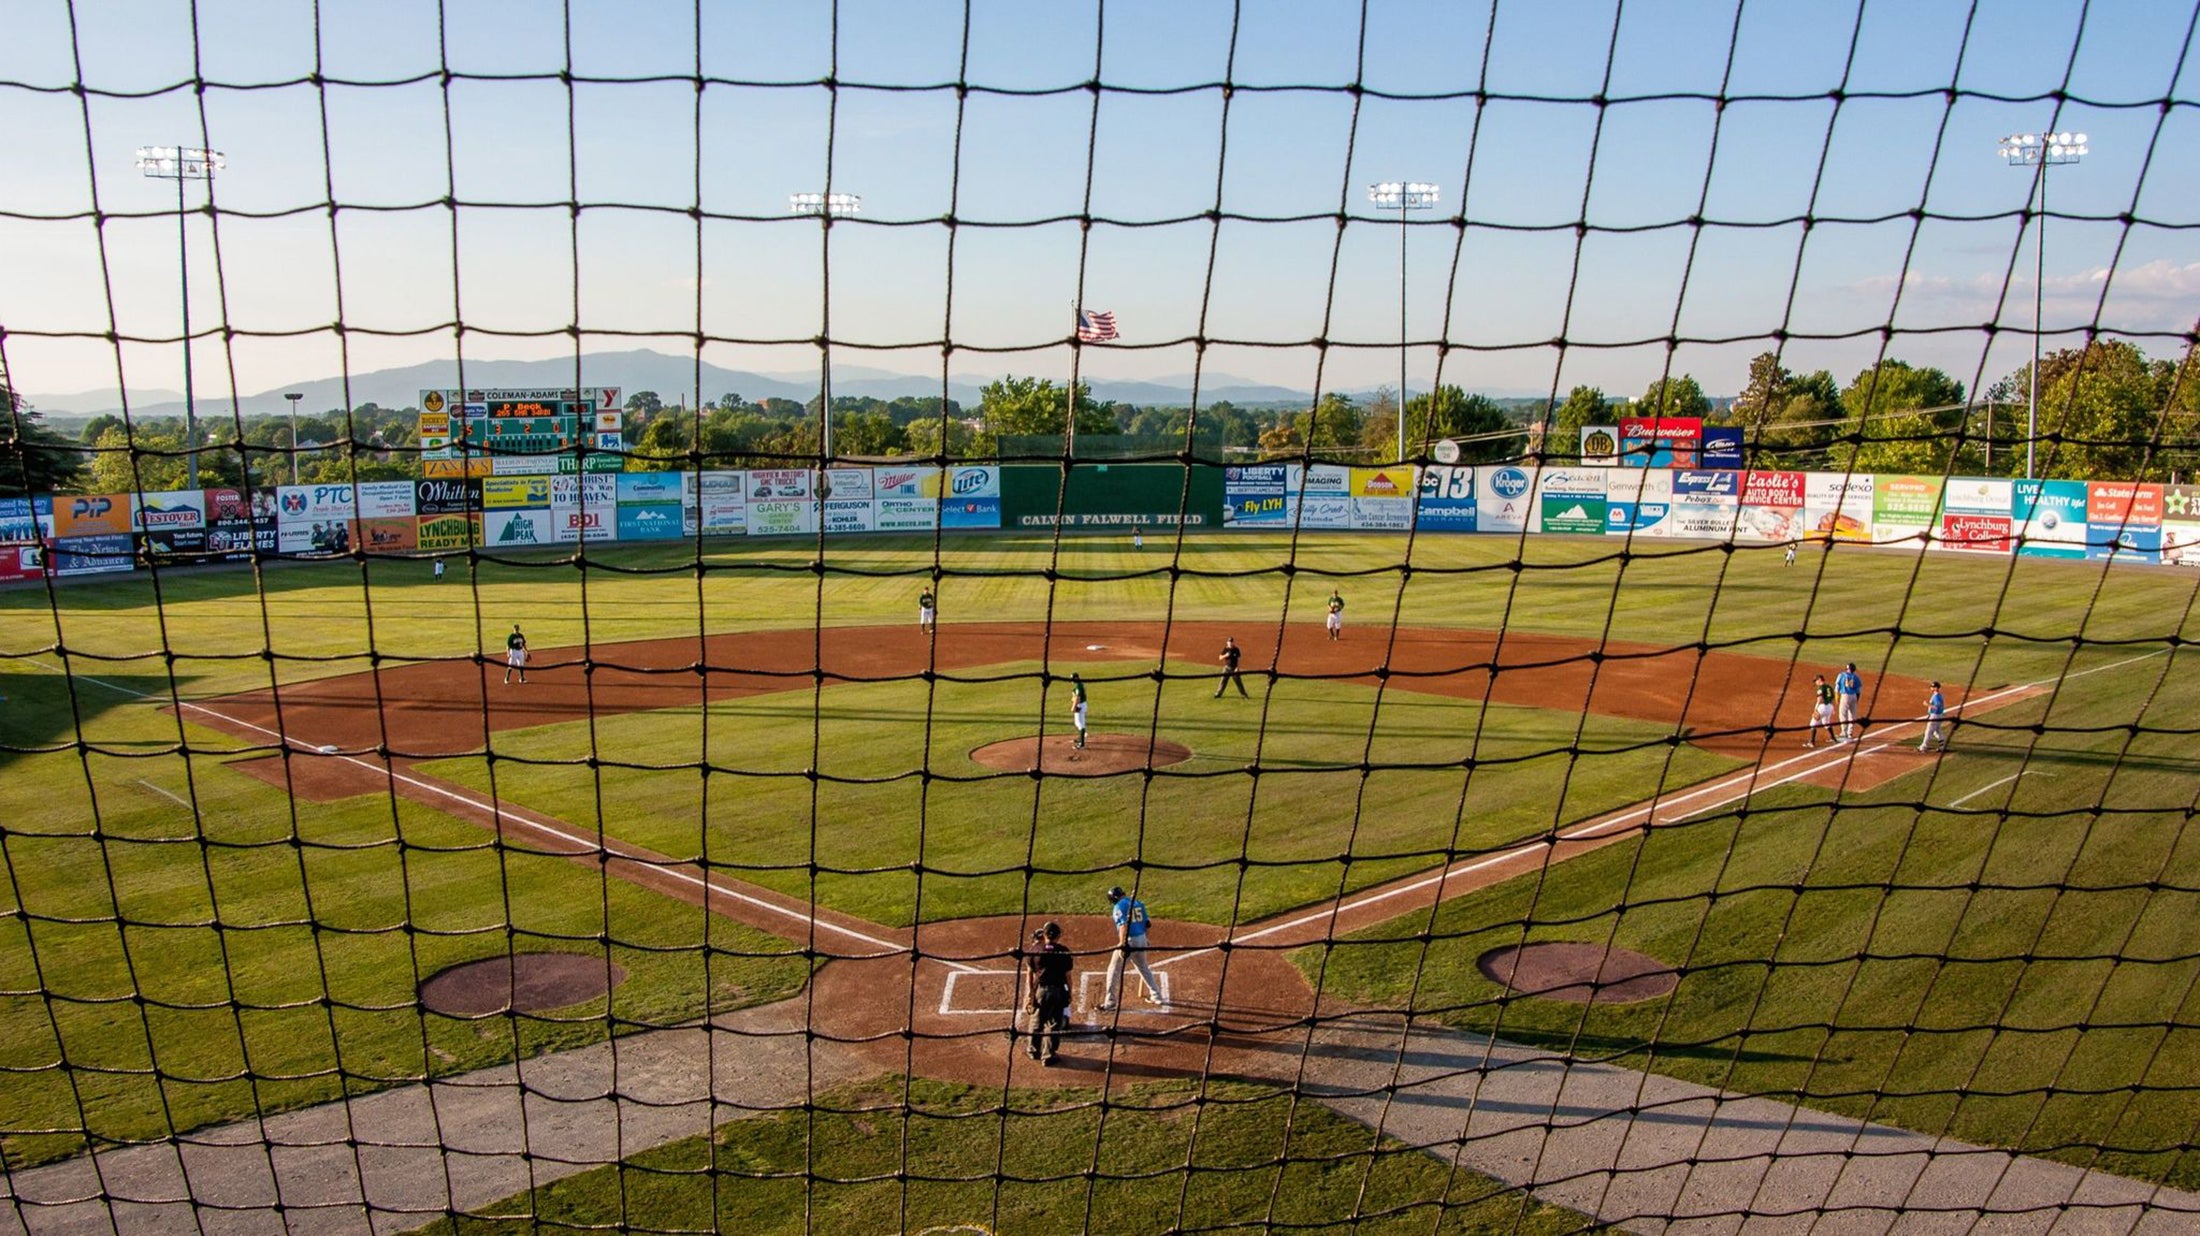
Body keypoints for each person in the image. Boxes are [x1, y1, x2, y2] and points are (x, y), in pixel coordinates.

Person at [1100, 886, 1162, 1011]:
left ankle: (1110, 1001)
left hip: (1129, 941)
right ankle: (1156, 996)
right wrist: (1145, 939)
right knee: (1143, 966)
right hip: (1142, 939)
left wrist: (1122, 944)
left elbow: (1123, 926)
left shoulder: (1118, 906)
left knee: (1113, 969)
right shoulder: (1138, 903)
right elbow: (1147, 924)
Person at [1022, 921, 1074, 1066]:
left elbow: (1029, 975)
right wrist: (1070, 993)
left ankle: (1033, 1050)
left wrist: (1030, 994)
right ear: (1058, 936)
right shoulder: (1063, 951)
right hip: (1058, 991)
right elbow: (1068, 976)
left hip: (1040, 990)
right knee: (1054, 1024)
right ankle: (1048, 1056)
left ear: (1044, 934)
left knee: (1036, 1021)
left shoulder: (1035, 949)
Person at [1834, 662, 1863, 743]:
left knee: (1843, 714)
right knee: (1852, 715)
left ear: (1847, 668)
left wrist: (1837, 697)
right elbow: (1858, 690)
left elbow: (1837, 687)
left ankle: (1844, 732)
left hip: (1845, 696)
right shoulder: (1856, 677)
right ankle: (1850, 733)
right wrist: (1856, 699)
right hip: (1854, 696)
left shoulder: (1841, 675)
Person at [1805, 673, 1834, 747]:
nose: (1815, 683)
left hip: (1822, 707)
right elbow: (1831, 698)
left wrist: (1815, 709)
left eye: (1816, 681)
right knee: (1826, 722)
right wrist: (1832, 709)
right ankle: (1833, 738)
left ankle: (1812, 742)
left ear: (1820, 679)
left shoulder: (1820, 688)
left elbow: (1819, 699)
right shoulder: (1829, 687)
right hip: (1830, 707)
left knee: (1813, 724)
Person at [1920, 681, 1949, 752]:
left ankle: (1923, 747)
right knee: (1937, 731)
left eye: (1932, 687)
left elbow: (1936, 707)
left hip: (1935, 716)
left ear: (1936, 688)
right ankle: (1943, 746)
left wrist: (1927, 704)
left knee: (1928, 732)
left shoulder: (1936, 697)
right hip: (1939, 715)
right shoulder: (1939, 695)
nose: (1931, 688)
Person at [1069, 673, 1088, 750]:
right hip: (1083, 705)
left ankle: (1081, 744)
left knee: (1079, 723)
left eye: (1072, 678)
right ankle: (1081, 737)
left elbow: (1077, 698)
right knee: (1081, 723)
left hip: (1079, 706)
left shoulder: (1078, 687)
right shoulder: (1080, 684)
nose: (1071, 680)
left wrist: (1073, 707)